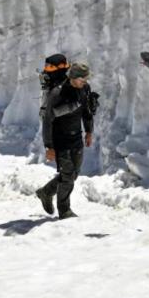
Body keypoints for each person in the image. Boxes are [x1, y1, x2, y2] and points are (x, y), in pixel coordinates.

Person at [36, 62, 95, 219]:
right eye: (83, 79)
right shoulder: (57, 93)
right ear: (74, 78)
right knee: (67, 175)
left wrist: (89, 131)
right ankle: (64, 210)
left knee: (73, 174)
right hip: (60, 140)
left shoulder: (85, 89)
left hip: (76, 137)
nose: (85, 82)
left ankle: (46, 192)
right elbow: (48, 120)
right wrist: (49, 146)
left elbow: (87, 111)